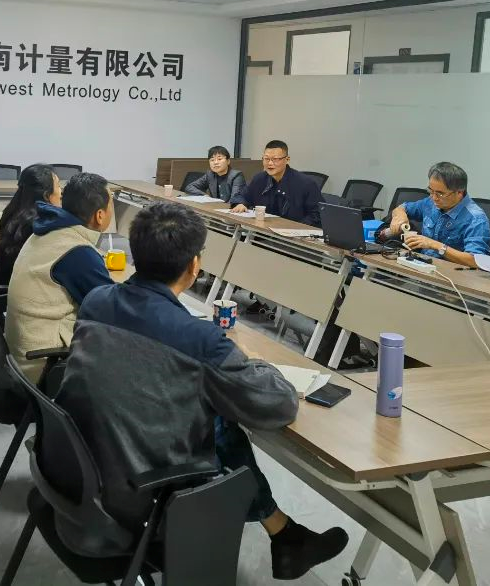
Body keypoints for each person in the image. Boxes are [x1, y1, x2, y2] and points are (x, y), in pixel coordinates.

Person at [56, 202, 348, 580]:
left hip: (80, 469)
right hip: (138, 497)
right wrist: (256, 363)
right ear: (194, 265)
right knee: (220, 428)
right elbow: (277, 405)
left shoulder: (97, 300)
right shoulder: (199, 340)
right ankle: (286, 537)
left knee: (218, 422)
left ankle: (286, 535)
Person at [5, 172, 114, 381]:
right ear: (100, 215)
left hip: (20, 354)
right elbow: (110, 312)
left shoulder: (47, 230)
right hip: (44, 366)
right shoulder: (77, 252)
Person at [381, 161, 490, 268]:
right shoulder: (430, 203)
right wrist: (400, 216)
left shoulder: (476, 219)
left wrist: (435, 245)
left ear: (459, 192)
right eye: (431, 191)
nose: (434, 198)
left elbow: (475, 261)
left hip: (451, 274)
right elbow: (402, 208)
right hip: (422, 266)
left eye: (440, 194)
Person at [0, 164, 61, 286]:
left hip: (2, 285)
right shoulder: (41, 226)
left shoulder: (15, 214)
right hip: (14, 292)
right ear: (46, 194)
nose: (61, 192)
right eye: (58, 186)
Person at [230, 140, 321, 226]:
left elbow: (317, 215)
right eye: (266, 159)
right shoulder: (259, 179)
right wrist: (240, 203)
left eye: (275, 159)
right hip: (263, 230)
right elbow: (241, 196)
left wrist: (296, 226)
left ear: (287, 159)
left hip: (293, 233)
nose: (270, 163)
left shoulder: (306, 183)